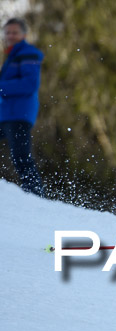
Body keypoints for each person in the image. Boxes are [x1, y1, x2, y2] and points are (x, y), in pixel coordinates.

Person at [0, 18, 44, 197]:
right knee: (20, 156)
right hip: (6, 114)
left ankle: (36, 196)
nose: (10, 36)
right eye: (8, 32)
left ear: (24, 34)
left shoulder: (27, 53)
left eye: (14, 32)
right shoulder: (12, 55)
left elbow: (30, 84)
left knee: (21, 157)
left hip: (19, 114)